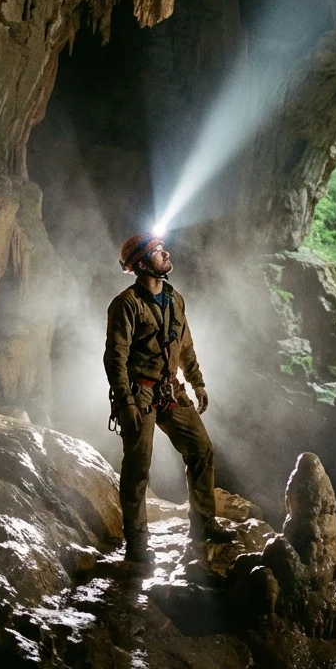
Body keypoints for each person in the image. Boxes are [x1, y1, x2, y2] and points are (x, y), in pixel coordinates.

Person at [104, 232, 234, 562]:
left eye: (162, 249)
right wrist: (125, 401)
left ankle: (203, 523)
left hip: (170, 388)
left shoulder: (175, 299)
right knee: (137, 469)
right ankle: (137, 543)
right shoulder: (126, 305)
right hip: (140, 393)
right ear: (141, 265)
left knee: (201, 450)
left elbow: (185, 346)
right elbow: (115, 356)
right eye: (157, 251)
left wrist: (197, 383)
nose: (166, 254)